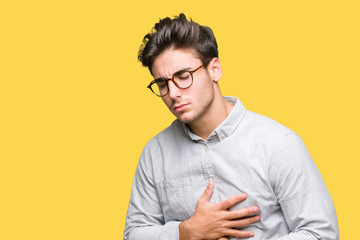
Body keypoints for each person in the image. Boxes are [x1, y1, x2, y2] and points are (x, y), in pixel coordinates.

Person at [124, 13, 339, 240]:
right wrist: (184, 233)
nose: (173, 93)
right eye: (162, 83)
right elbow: (134, 234)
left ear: (214, 69)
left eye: (183, 76)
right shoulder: (155, 153)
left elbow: (321, 233)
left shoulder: (278, 144)